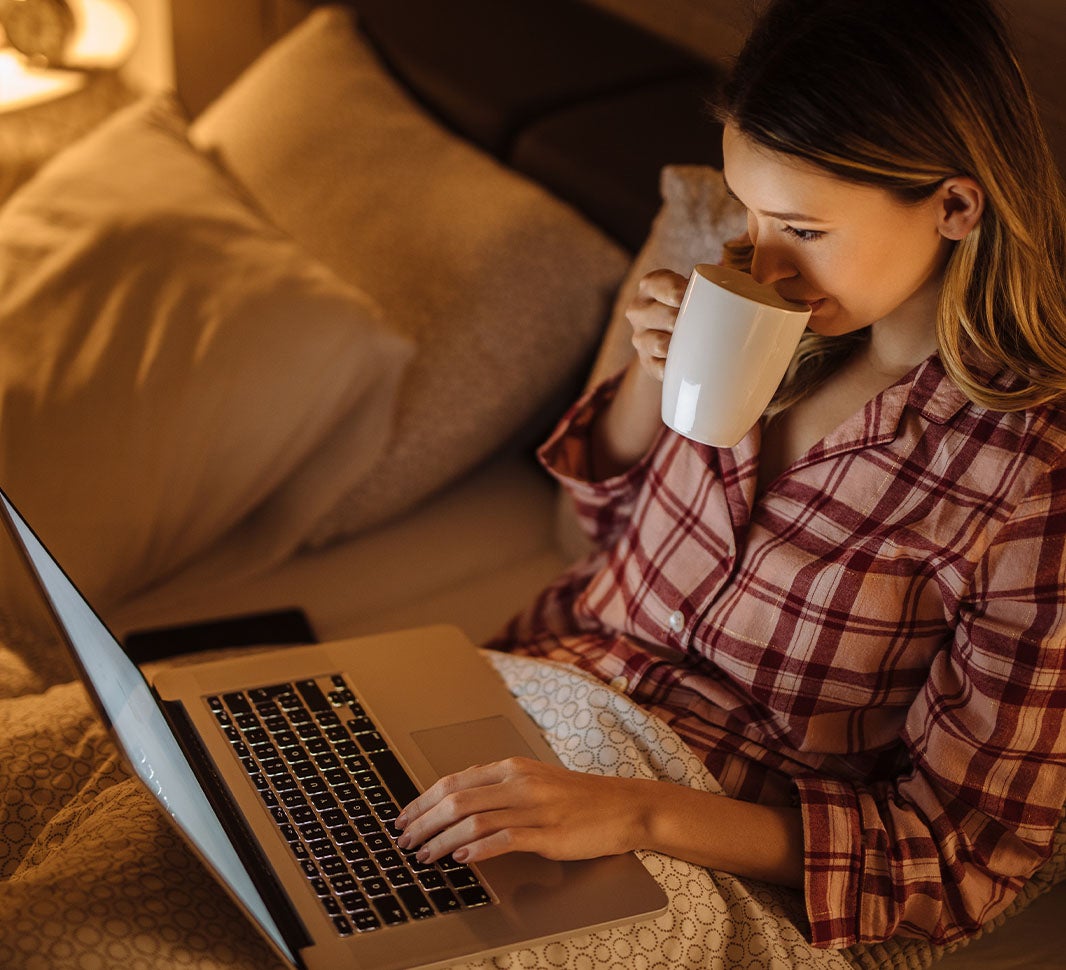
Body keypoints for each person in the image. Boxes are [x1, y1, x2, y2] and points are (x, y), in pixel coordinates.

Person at [395, 0, 1066, 948]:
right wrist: (651, 373)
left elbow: (957, 859)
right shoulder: (770, 330)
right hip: (516, 706)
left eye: (801, 226)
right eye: (747, 211)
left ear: (955, 207)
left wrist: (638, 812)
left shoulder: (1028, 483)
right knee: (199, 819)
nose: (760, 259)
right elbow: (599, 532)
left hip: (701, 843)